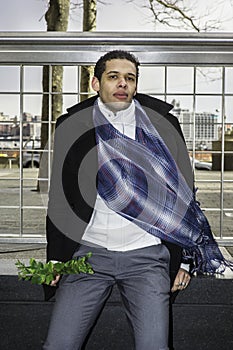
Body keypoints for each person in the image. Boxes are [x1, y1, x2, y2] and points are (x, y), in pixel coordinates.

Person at [43, 50, 226, 350]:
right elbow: (60, 199)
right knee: (58, 345)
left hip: (147, 258)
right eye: (113, 76)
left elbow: (184, 196)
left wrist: (188, 261)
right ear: (95, 82)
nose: (122, 84)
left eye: (129, 78)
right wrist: (56, 258)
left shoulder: (163, 125)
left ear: (136, 85)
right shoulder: (72, 126)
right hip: (88, 256)